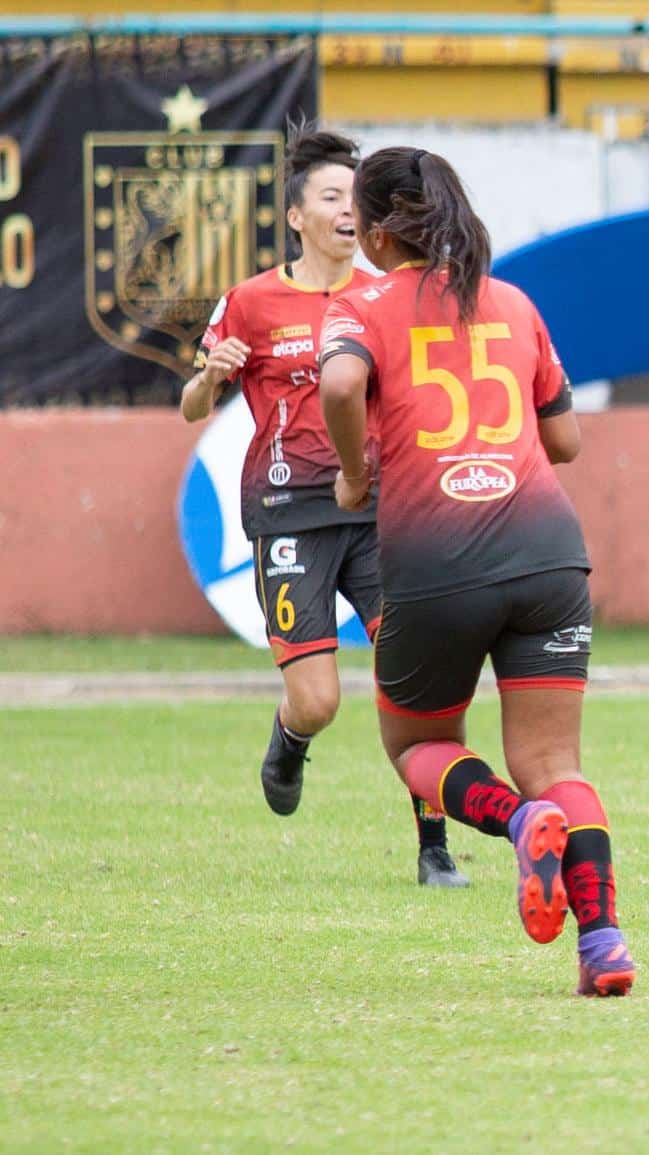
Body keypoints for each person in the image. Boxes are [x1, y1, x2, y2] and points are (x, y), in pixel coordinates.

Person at [318, 145, 635, 994]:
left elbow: (343, 387)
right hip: (548, 554)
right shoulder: (513, 301)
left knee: (417, 742)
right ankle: (602, 942)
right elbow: (564, 440)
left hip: (435, 559)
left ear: (382, 235)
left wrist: (354, 472)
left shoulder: (360, 303)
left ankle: (515, 819)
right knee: (558, 763)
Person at [183, 128, 467, 889]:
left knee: (415, 676)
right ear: (299, 216)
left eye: (354, 198)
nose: (347, 211)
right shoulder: (250, 301)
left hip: (382, 511)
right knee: (319, 700)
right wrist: (210, 376)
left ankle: (433, 846)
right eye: (331, 197)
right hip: (289, 513)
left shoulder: (388, 293)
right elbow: (188, 407)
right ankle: (289, 737)